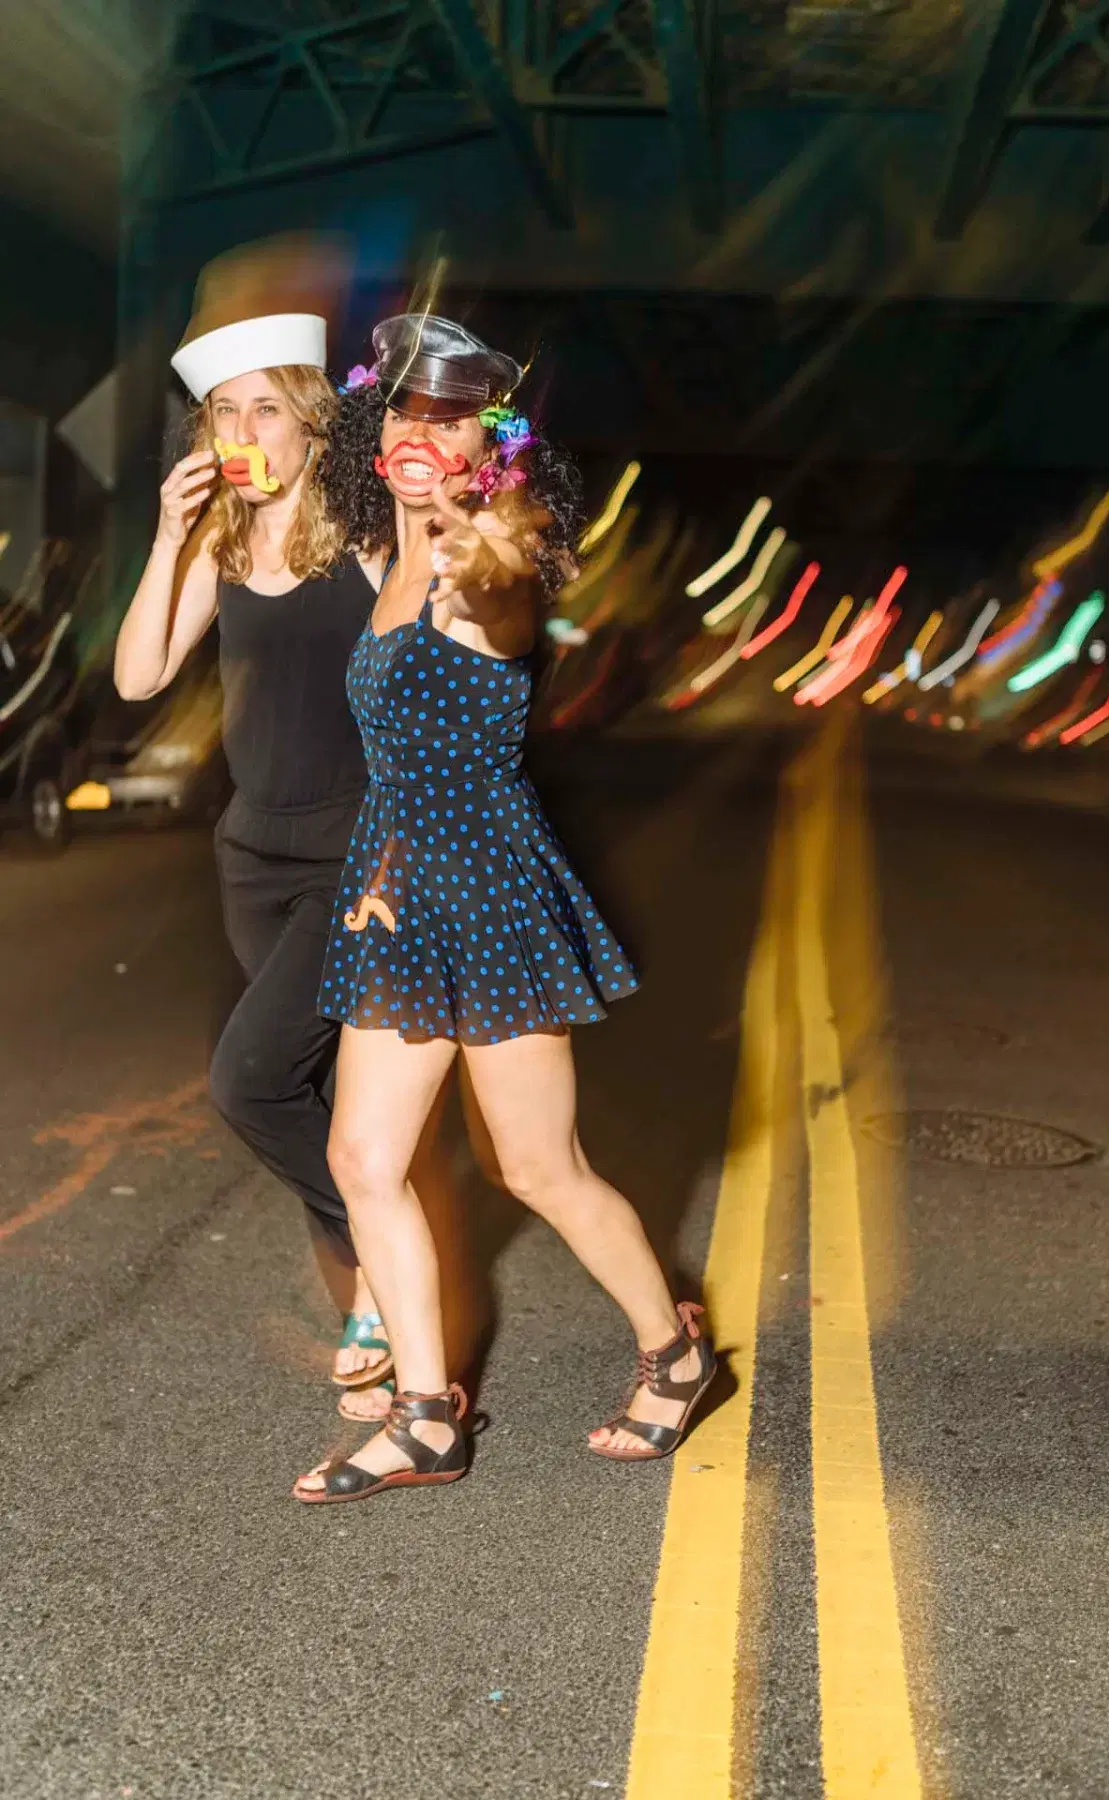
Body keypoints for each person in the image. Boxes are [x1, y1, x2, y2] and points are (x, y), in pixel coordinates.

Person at [293, 314, 716, 1504]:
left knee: (536, 1167)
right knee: (364, 1156)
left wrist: (475, 517)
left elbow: (503, 583)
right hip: (400, 889)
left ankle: (676, 1353)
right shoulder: (390, 561)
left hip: (487, 895)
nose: (419, 436)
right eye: (403, 416)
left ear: (490, 447)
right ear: (376, 436)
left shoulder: (492, 562)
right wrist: (374, 876)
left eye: (447, 421)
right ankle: (426, 1412)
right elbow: (400, 756)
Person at [113, 295, 486, 1421]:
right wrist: (170, 538)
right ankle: (384, 1282)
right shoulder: (222, 541)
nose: (241, 431)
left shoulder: (368, 540)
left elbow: (440, 675)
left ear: (314, 423)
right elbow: (137, 677)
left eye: (264, 408)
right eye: (223, 412)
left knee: (248, 1080)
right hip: (252, 858)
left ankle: (392, 1290)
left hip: (356, 863)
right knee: (317, 1093)